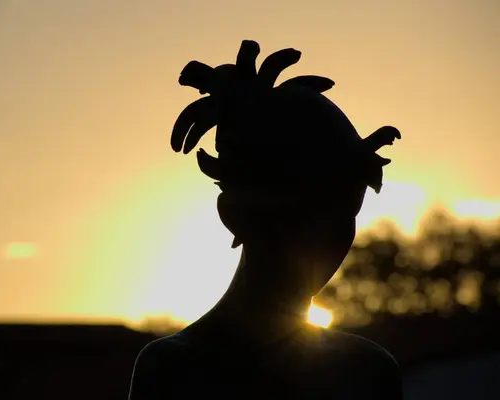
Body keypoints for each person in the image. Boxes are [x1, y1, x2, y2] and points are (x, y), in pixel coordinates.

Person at [129, 40, 403, 399]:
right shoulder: (173, 370)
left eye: (343, 215)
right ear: (235, 215)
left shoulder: (366, 372)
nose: (326, 239)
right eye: (302, 214)